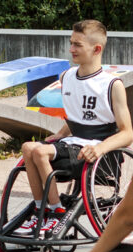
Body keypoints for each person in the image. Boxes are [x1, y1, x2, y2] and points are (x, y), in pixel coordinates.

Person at [15, 20, 133, 237]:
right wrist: (60, 134)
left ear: (96, 49)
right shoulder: (67, 77)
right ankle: (39, 211)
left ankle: (55, 211)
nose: (71, 49)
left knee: (40, 152)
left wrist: (100, 149)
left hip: (96, 151)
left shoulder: (111, 85)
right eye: (71, 43)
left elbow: (127, 133)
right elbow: (77, 116)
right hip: (73, 144)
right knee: (28, 148)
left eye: (77, 45)